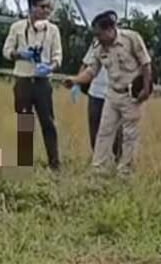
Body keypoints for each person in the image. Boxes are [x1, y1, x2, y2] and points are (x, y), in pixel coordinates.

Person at [65, 10, 153, 178]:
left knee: (129, 135)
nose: (98, 38)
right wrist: (76, 80)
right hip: (112, 94)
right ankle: (99, 169)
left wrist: (146, 89)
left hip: (131, 95)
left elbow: (146, 64)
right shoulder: (99, 48)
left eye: (100, 34)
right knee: (104, 132)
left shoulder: (131, 38)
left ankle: (125, 172)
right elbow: (92, 71)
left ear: (110, 29)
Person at [2, 0, 63, 171]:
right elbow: (6, 51)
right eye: (43, 7)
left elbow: (58, 56)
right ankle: (24, 162)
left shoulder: (53, 30)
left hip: (43, 82)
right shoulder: (17, 27)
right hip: (23, 79)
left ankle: (54, 163)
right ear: (32, 8)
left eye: (49, 7)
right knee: (25, 122)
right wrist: (20, 54)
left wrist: (50, 67)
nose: (47, 11)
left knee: (48, 123)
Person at [82, 44, 122, 161]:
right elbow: (86, 64)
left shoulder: (125, 43)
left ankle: (119, 161)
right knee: (95, 130)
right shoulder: (96, 44)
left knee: (116, 132)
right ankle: (99, 160)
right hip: (96, 92)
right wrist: (78, 84)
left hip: (115, 93)